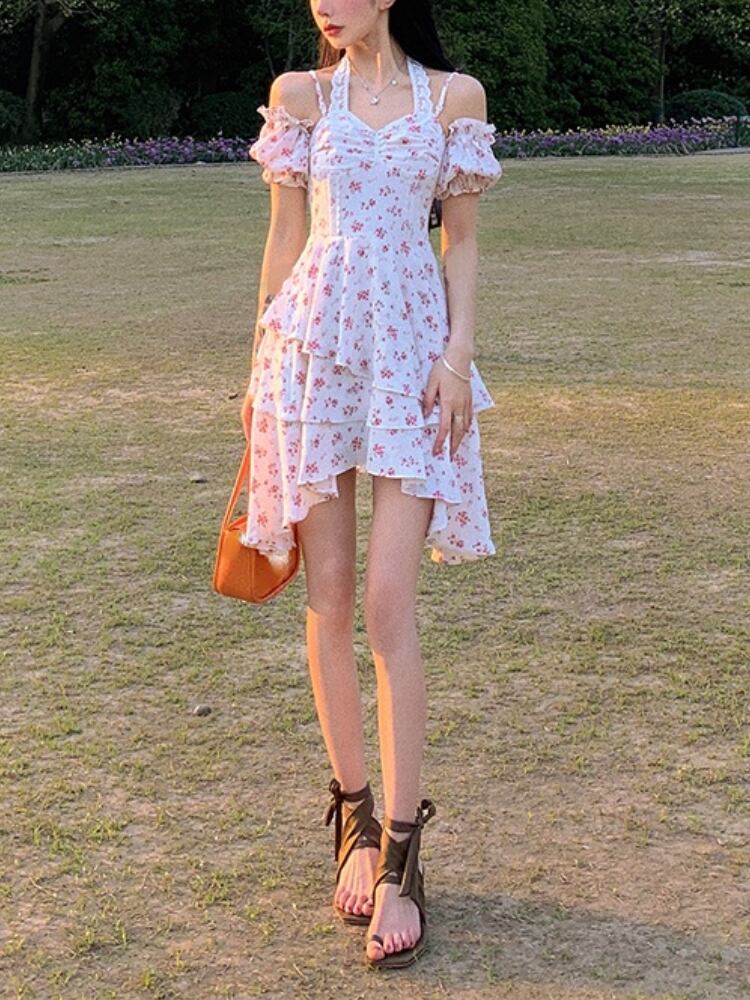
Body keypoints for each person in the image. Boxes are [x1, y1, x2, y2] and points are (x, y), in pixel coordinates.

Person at [240, 0, 502, 970]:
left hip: (413, 358)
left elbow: (460, 242)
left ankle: (400, 851)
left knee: (389, 604)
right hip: (311, 354)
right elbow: (284, 239)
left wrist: (458, 354)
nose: (325, 3)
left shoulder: (454, 99)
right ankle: (352, 818)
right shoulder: (301, 97)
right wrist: (256, 373)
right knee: (329, 598)